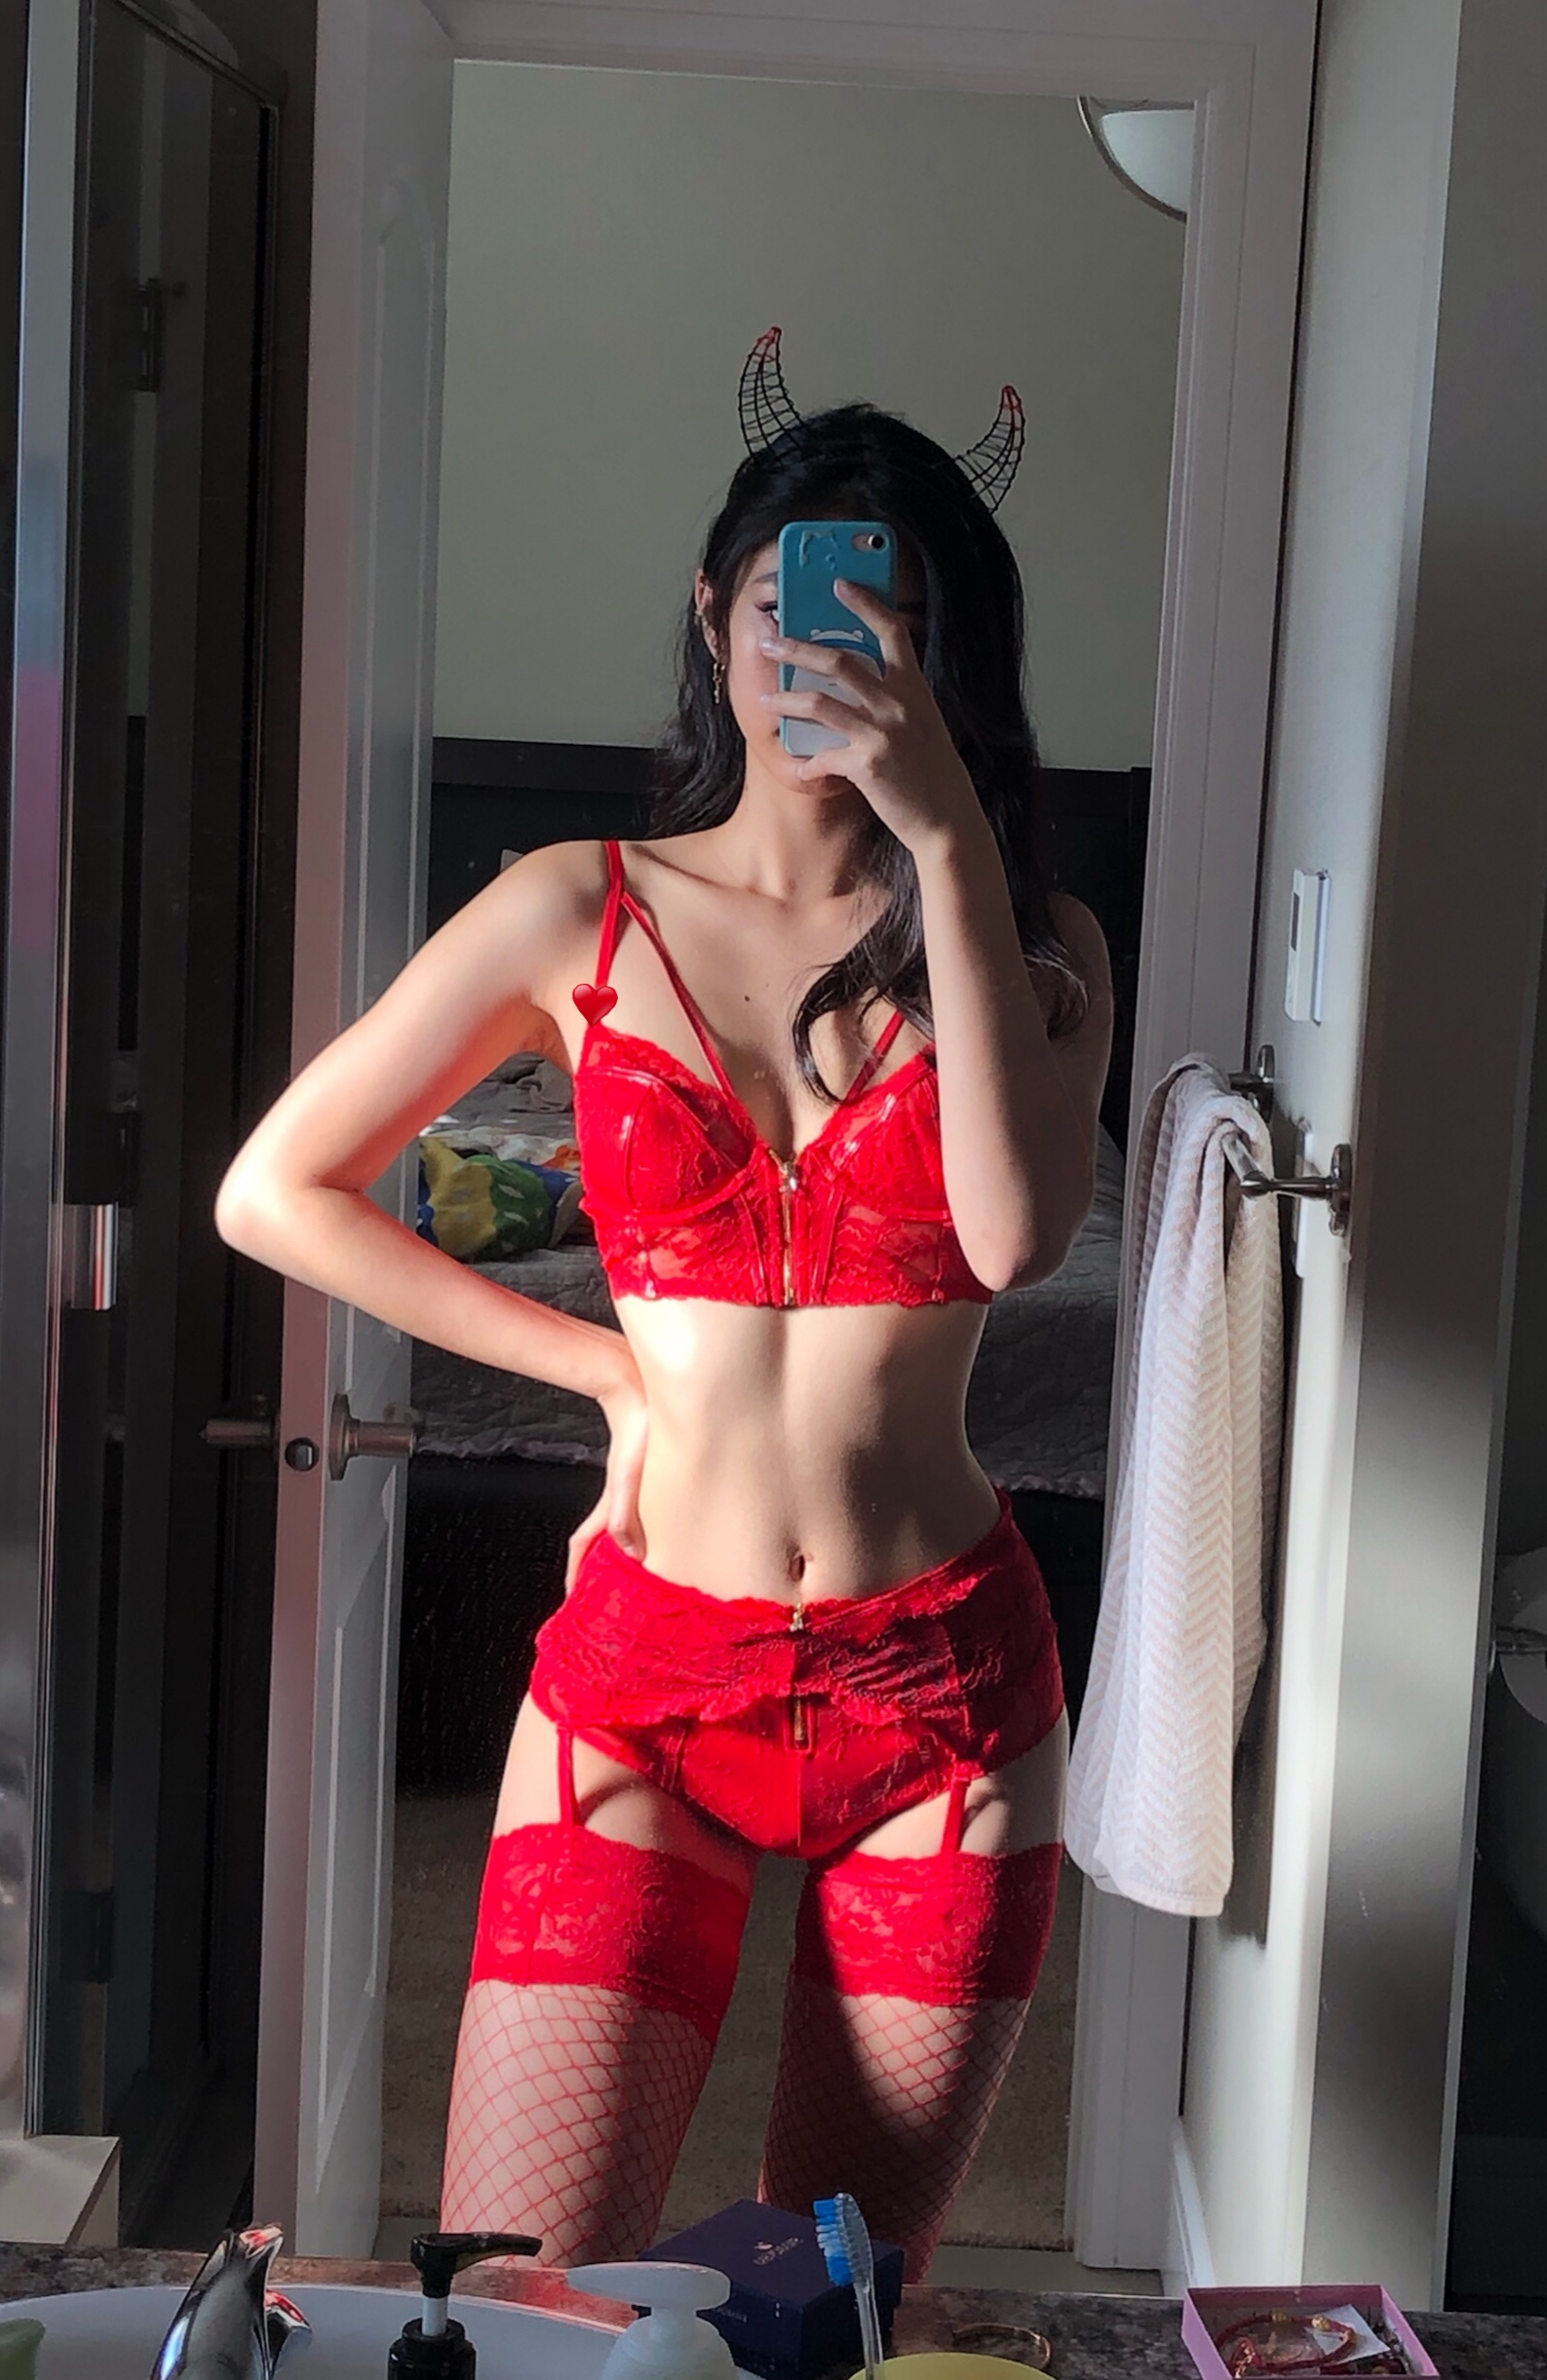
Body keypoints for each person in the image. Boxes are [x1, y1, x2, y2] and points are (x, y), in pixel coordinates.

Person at [216, 391, 1111, 2276]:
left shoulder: (1032, 941)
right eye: (792, 609)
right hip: (645, 1680)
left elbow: (1017, 1235)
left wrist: (948, 839)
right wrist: (602, 1369)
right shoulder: (577, 906)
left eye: (889, 621)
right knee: (516, 2297)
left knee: (825, 2313)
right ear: (715, 615)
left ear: (949, 656)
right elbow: (277, 1187)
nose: (830, 656)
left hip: (941, 1699)